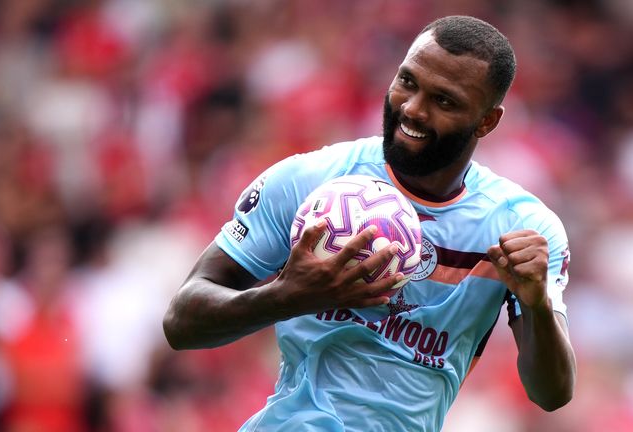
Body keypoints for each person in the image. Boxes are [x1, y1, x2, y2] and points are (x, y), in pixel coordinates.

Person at [163, 15, 576, 431]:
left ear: (487, 121)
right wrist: (288, 296)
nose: (412, 109)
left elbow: (552, 393)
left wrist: (537, 305)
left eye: (443, 101)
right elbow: (181, 322)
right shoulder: (311, 181)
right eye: (407, 82)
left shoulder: (520, 228)